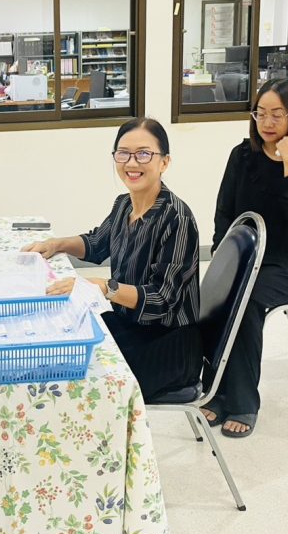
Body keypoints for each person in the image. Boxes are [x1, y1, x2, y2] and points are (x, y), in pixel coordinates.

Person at [24, 118, 202, 401]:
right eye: (123, 153)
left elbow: (161, 299)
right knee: (58, 340)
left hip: (168, 345)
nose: (132, 163)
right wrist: (55, 244)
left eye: (144, 154)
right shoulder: (124, 204)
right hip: (130, 325)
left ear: (164, 162)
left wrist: (105, 287)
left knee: (76, 379)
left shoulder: (176, 218)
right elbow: (96, 244)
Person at [204, 78, 288, 438]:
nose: (267, 122)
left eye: (277, 114)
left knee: (246, 301)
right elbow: (225, 212)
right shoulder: (242, 155)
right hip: (246, 259)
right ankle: (214, 390)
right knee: (215, 296)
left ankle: (243, 402)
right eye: (261, 113)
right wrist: (223, 256)